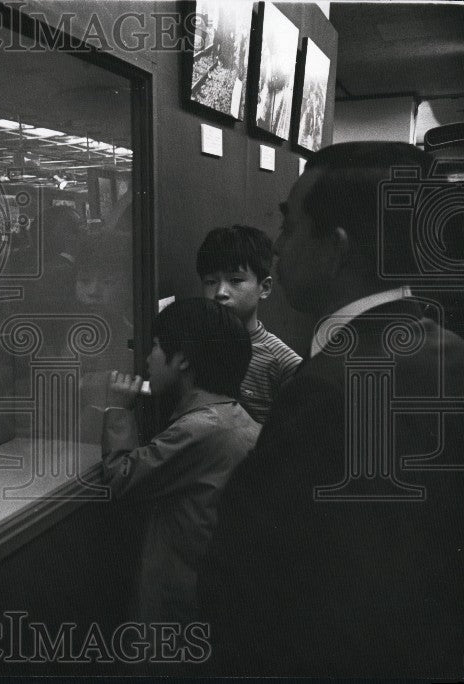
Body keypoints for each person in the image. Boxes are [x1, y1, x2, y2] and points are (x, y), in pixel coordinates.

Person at [199, 142, 464, 677]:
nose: (278, 247)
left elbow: (257, 573)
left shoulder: (327, 387)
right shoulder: (449, 351)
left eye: (290, 228)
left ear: (337, 247)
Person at [100, 298, 259, 623]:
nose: (147, 359)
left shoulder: (199, 430)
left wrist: (117, 409)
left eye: (156, 347)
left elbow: (122, 478)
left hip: (179, 602)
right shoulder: (233, 416)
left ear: (183, 359)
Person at [196, 224, 302, 423]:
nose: (220, 292)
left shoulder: (283, 364)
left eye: (235, 280)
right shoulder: (192, 348)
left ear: (265, 288)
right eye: (210, 281)